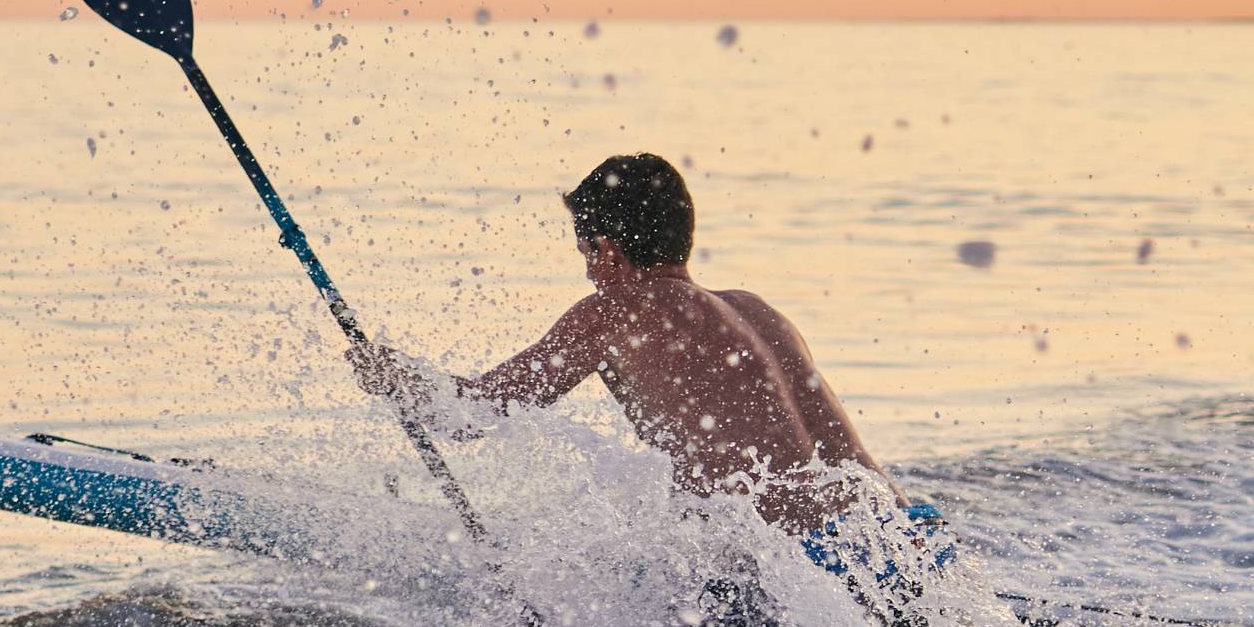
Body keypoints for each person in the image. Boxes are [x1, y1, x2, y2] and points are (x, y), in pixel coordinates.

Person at [351, 153, 891, 535]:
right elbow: (849, 461)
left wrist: (394, 377)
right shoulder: (759, 312)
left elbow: (470, 415)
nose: (588, 271)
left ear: (607, 250)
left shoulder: (614, 312)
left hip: (786, 562)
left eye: (584, 251)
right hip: (894, 535)